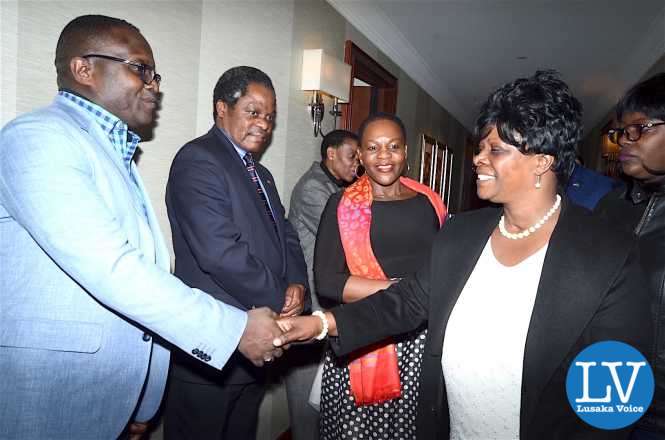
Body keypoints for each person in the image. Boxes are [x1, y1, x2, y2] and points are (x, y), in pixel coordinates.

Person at [275, 71, 653, 439]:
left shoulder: (608, 254)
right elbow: (403, 303)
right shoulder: (461, 235)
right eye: (481, 146)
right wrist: (318, 325)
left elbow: (614, 404)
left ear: (542, 161)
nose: (478, 159)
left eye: (497, 150)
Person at [0, 15, 284, 440]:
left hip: (115, 397)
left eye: (155, 74)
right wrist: (236, 328)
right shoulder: (39, 138)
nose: (154, 85)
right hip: (54, 396)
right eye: (140, 69)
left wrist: (143, 396)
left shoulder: (118, 157)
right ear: (84, 69)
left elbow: (148, 267)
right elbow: (112, 267)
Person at [164, 66, 309, 439]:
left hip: (255, 350)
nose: (264, 123)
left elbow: (286, 234)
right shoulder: (198, 159)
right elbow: (219, 252)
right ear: (221, 108)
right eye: (254, 111)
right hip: (211, 352)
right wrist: (279, 297)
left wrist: (296, 282)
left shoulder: (262, 174)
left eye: (270, 116)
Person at [312, 113, 446, 439]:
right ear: (359, 155)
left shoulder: (429, 201)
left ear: (406, 152)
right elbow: (327, 281)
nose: (384, 156)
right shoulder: (341, 204)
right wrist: (404, 292)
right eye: (373, 147)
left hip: (419, 342)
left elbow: (444, 263)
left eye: (393, 147)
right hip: (363, 333)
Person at [595, 72, 665, 440]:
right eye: (621, 131)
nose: (624, 140)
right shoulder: (611, 206)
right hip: (606, 396)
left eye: (640, 128)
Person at [285, 129, 359, 439]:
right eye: (352, 156)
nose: (358, 163)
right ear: (331, 154)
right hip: (310, 305)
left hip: (325, 306)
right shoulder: (315, 189)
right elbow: (349, 238)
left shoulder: (333, 186)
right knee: (306, 405)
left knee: (323, 400)